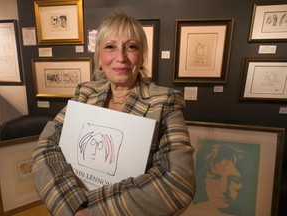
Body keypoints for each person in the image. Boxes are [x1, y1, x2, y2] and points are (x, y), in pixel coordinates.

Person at [32, 11, 196, 216]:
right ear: (99, 57)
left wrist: (91, 211)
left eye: (131, 47)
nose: (121, 57)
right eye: (110, 47)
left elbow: (178, 182)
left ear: (142, 56)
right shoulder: (85, 93)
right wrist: (71, 207)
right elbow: (45, 149)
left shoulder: (164, 102)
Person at [192, 142, 258, 216]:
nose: (223, 189)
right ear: (204, 179)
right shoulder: (192, 210)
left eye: (234, 181)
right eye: (215, 177)